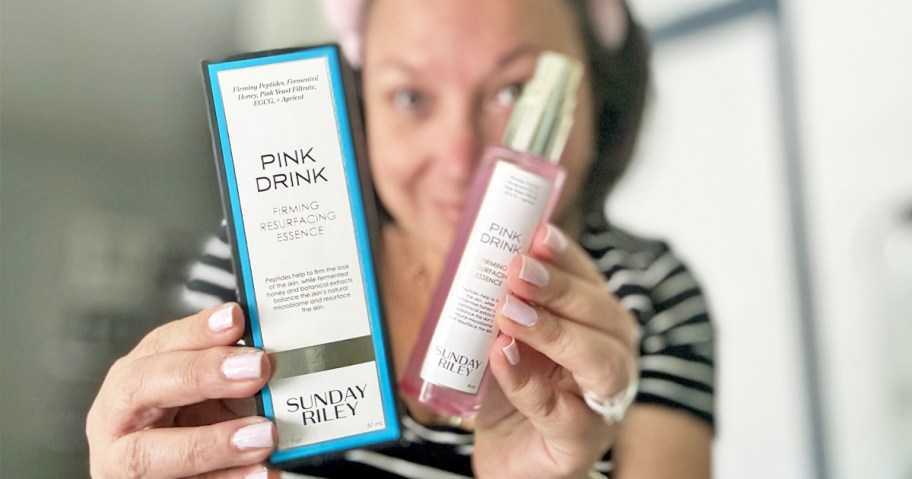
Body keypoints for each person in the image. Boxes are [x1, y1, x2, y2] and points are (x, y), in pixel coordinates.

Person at [87, 0, 715, 477]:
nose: (460, 159)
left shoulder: (650, 291)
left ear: (598, 98)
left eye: (513, 91)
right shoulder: (258, 258)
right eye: (412, 96)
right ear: (360, 108)